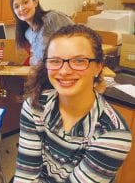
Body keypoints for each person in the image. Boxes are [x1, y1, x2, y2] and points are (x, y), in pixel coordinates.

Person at [13, 24, 132, 182]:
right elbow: (26, 173)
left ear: (98, 67)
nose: (64, 71)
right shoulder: (34, 106)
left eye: (79, 61)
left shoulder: (112, 134)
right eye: (55, 61)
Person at [10, 0, 74, 65]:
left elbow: (77, 40)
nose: (21, 8)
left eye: (25, 2)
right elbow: (37, 59)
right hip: (41, 73)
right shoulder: (28, 33)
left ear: (35, 2)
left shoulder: (53, 18)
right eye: (16, 7)